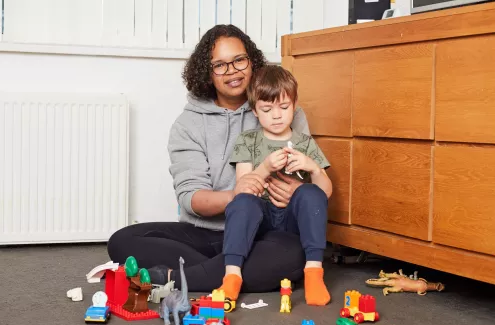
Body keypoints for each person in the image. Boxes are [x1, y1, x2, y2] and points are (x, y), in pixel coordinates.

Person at [107, 24, 317, 297]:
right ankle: (229, 269)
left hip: (264, 232)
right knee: (123, 241)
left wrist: (296, 189)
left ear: (251, 61)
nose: (232, 71)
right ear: (207, 72)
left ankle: (179, 277)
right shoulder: (188, 124)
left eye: (239, 60)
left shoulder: (283, 108)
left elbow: (309, 177)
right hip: (205, 234)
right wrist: (236, 195)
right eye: (220, 65)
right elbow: (191, 198)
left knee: (293, 253)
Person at [223, 65, 332, 305]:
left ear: (294, 105)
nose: (276, 115)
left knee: (311, 194)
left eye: (284, 107)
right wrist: (265, 168)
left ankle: (314, 272)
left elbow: (324, 194)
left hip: (292, 221)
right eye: (267, 109)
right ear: (254, 110)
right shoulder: (248, 141)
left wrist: (312, 167)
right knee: (242, 203)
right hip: (260, 220)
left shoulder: (304, 143)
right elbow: (241, 189)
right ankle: (232, 276)